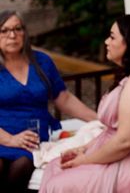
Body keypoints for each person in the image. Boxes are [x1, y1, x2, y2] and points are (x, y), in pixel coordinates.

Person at [40, 14, 130, 193]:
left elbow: (125, 141)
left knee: (58, 185)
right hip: (122, 152)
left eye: (112, 36)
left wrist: (85, 160)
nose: (106, 41)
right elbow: (112, 132)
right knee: (55, 167)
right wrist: (83, 149)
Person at [0, 10, 97, 193]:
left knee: (21, 166)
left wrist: (98, 118)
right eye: (4, 30)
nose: (11, 35)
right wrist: (11, 139)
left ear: (25, 33)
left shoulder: (42, 61)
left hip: (31, 140)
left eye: (17, 29)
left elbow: (64, 98)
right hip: (2, 136)